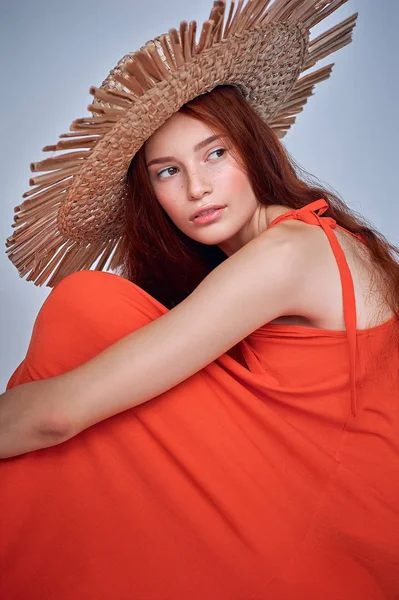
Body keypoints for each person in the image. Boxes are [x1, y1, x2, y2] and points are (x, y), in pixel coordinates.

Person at [1, 1, 399, 599]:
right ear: (150, 194)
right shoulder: (293, 243)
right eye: (166, 171)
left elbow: (59, 415)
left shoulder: (288, 252)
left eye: (215, 153)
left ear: (254, 148)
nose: (196, 188)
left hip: (319, 540)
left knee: (86, 307)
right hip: (310, 513)